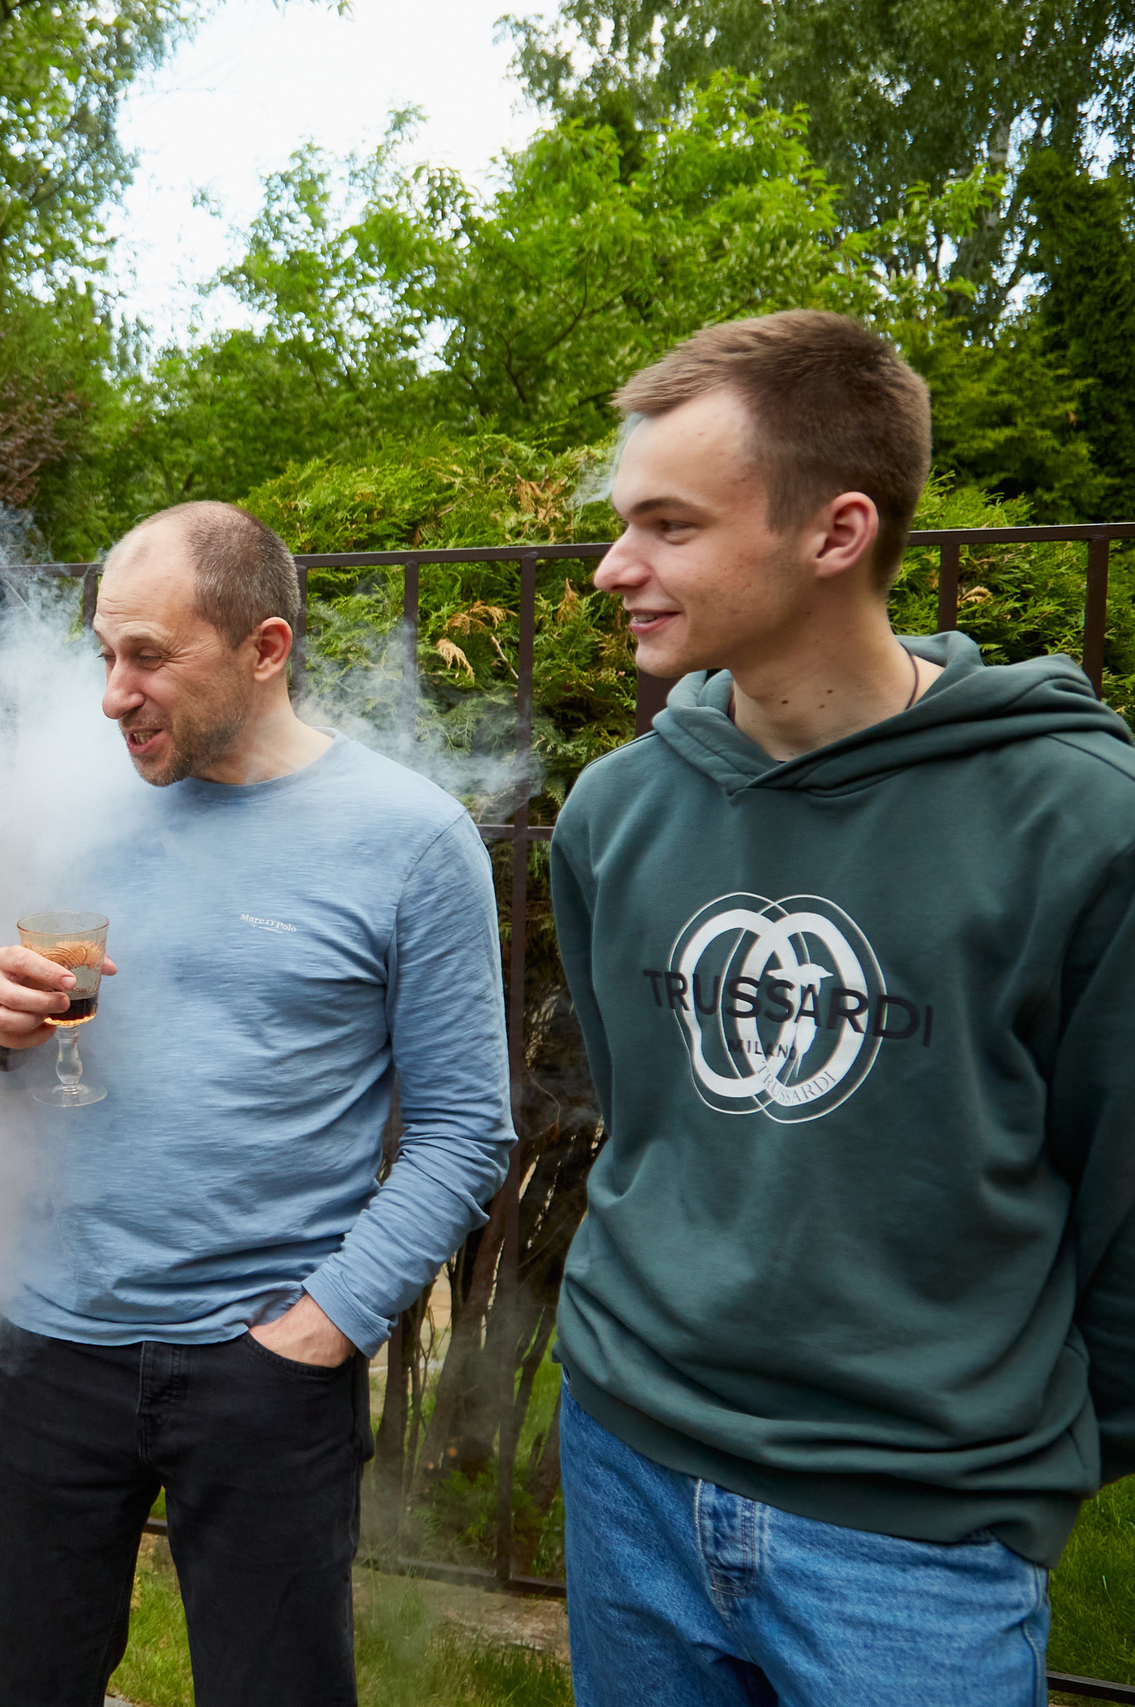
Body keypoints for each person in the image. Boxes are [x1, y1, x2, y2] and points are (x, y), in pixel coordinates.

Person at [549, 310, 1135, 1705]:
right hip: (627, 1462)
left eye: (670, 526)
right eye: (625, 521)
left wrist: (1005, 1455)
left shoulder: (1078, 824)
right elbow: (652, 1123)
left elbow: (1124, 1204)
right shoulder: (616, 811)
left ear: (837, 530)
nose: (614, 566)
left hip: (915, 1537)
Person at [0, 501, 516, 1707]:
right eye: (105, 653)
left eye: (149, 657)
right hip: (52, 1346)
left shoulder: (411, 841)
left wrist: (320, 1332)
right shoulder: (65, 806)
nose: (112, 693)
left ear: (265, 650)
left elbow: (465, 1131)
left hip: (263, 1368)